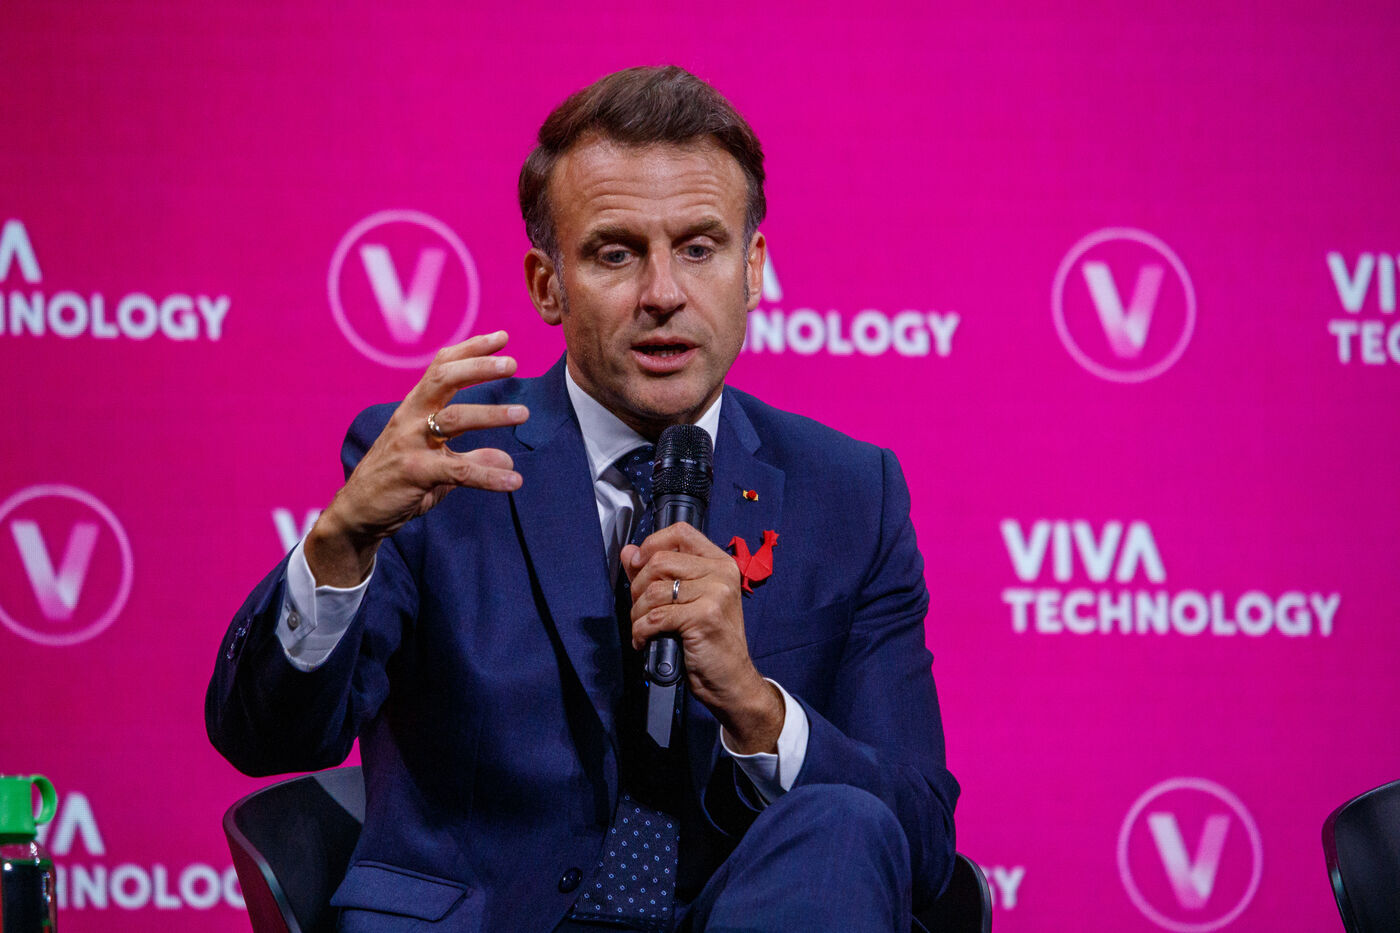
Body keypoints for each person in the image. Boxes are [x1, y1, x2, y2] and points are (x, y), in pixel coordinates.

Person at [207, 65, 958, 933]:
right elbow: (265, 739)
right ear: (547, 284)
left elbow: (922, 845)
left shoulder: (851, 493)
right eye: (615, 253)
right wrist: (339, 545)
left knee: (846, 821)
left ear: (752, 270)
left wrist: (756, 706)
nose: (663, 293)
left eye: (699, 248)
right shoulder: (440, 463)